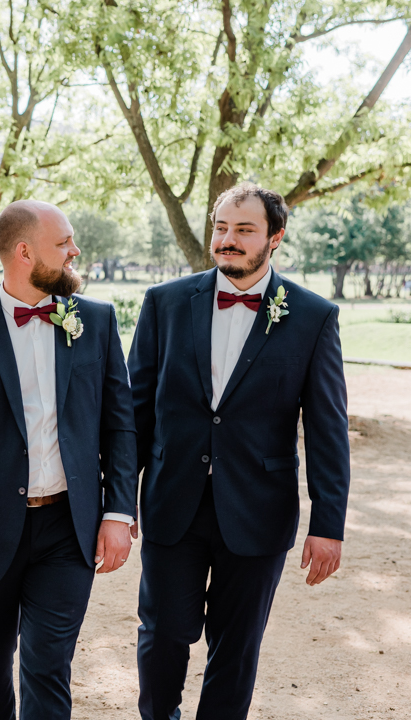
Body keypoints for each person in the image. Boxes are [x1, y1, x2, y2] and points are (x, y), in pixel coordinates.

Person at [128, 183, 350, 720]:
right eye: (221, 227)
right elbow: (134, 414)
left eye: (244, 229)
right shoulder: (164, 303)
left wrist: (329, 523)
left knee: (237, 645)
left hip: (259, 508)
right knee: (162, 633)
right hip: (172, 501)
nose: (227, 239)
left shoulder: (313, 316)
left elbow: (328, 427)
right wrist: (115, 504)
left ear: (275, 238)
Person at [0, 200, 137, 719]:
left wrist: (118, 511)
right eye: (63, 243)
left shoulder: (96, 320)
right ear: (24, 252)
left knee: (48, 664)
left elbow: (119, 423)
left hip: (69, 526)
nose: (75, 251)